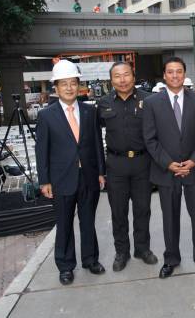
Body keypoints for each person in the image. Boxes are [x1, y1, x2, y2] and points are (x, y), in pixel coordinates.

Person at [35, 59, 107, 285]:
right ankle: (65, 266)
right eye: (63, 84)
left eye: (73, 83)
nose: (69, 88)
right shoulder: (46, 115)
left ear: (79, 85)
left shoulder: (89, 111)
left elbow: (97, 143)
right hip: (60, 179)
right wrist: (44, 180)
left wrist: (101, 172)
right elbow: (41, 150)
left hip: (88, 177)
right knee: (64, 224)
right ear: (55, 88)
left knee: (88, 221)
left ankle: (90, 259)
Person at [142, 57, 195, 278]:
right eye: (170, 72)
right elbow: (150, 139)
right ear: (164, 75)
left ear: (185, 74)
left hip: (194, 169)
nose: (175, 75)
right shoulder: (152, 103)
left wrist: (194, 160)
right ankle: (171, 258)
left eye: (179, 71)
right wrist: (168, 163)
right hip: (167, 171)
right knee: (169, 218)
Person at [98, 62, 158, 272]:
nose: (122, 80)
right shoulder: (103, 103)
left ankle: (142, 249)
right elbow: (96, 137)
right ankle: (121, 252)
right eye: (117, 76)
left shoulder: (149, 100)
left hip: (142, 164)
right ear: (111, 80)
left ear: (133, 76)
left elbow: (157, 133)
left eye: (126, 75)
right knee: (118, 212)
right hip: (116, 165)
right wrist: (100, 169)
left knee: (143, 210)